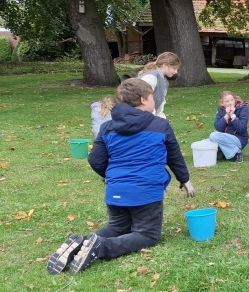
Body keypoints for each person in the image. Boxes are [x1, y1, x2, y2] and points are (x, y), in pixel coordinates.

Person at [47, 78, 195, 275]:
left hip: (115, 191)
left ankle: (79, 244)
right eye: (152, 97)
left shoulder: (107, 127)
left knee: (118, 228)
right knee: (148, 235)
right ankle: (100, 248)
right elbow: (174, 156)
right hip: (146, 192)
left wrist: (112, 177)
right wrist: (185, 180)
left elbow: (95, 160)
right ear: (143, 99)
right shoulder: (160, 125)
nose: (154, 101)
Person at [208, 90, 249, 163]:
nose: (230, 103)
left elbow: (241, 128)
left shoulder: (242, 109)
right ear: (222, 103)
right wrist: (226, 115)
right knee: (207, 141)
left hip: (239, 139)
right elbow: (218, 127)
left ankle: (237, 152)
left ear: (234, 99)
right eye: (227, 101)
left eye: (232, 100)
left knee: (213, 136)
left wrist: (232, 116)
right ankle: (225, 153)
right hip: (225, 137)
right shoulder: (221, 110)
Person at [138, 52, 181, 118]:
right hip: (139, 115)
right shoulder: (151, 77)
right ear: (165, 65)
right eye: (174, 68)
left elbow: (160, 103)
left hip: (148, 116)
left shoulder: (164, 81)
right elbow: (144, 99)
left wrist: (162, 120)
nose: (176, 72)